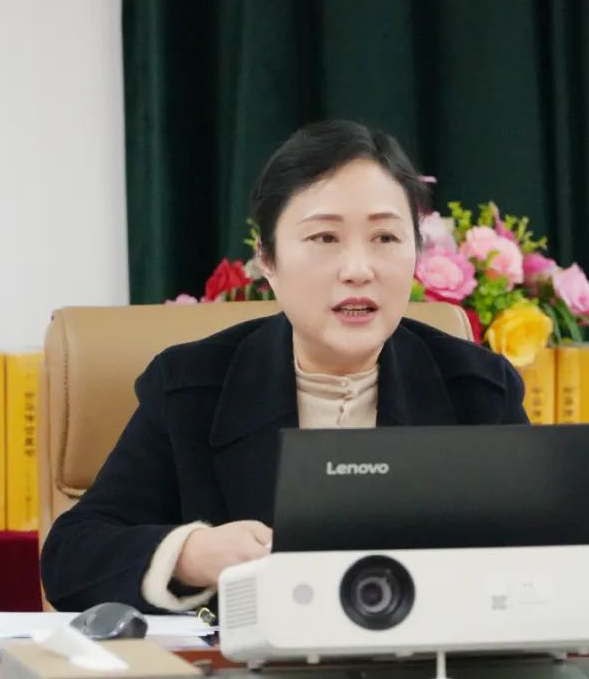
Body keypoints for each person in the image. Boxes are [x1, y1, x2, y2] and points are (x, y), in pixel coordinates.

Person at [40, 119, 529, 614]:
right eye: (324, 238)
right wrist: (191, 555)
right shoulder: (193, 388)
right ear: (268, 261)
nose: (358, 269)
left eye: (385, 237)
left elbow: (542, 560)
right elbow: (70, 558)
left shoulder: (478, 391)